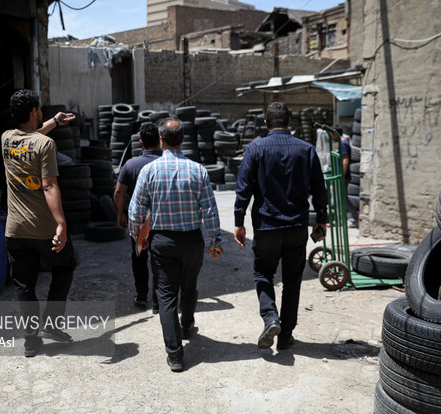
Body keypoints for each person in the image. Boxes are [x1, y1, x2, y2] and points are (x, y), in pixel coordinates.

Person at [129, 118, 223, 372]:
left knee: (166, 294)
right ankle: (188, 322)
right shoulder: (198, 170)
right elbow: (210, 210)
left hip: (163, 242)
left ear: (161, 141)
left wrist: (138, 236)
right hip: (192, 240)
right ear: (182, 140)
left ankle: (175, 354)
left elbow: (136, 210)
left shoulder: (150, 171)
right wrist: (215, 240)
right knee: (189, 285)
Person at [234, 102, 328, 351]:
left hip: (266, 226)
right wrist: (321, 219)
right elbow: (319, 188)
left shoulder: (255, 149)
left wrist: (238, 222)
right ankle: (285, 335)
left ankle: (270, 318)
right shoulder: (306, 150)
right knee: (292, 280)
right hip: (296, 226)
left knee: (262, 273)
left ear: (266, 123)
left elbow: (243, 189)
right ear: (289, 122)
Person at [1, 89, 76, 357]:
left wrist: (54, 122)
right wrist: (61, 225)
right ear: (33, 111)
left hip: (15, 230)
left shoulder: (7, 139)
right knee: (65, 266)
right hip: (44, 229)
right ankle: (52, 324)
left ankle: (31, 341)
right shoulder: (46, 146)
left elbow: (30, 137)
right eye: (40, 108)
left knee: (24, 286)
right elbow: (49, 186)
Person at [114, 122, 162, 313]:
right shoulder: (166, 163)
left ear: (141, 142)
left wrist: (120, 213)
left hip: (138, 223)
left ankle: (141, 296)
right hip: (163, 222)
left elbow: (118, 192)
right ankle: (159, 301)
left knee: (139, 258)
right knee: (160, 261)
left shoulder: (131, 164)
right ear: (160, 141)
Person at [335, 126, 358, 228]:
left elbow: (345, 160)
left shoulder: (343, 144)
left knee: (342, 198)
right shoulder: (343, 143)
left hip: (343, 176)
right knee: (343, 198)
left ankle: (353, 217)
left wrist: (341, 175)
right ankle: (352, 218)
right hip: (342, 175)